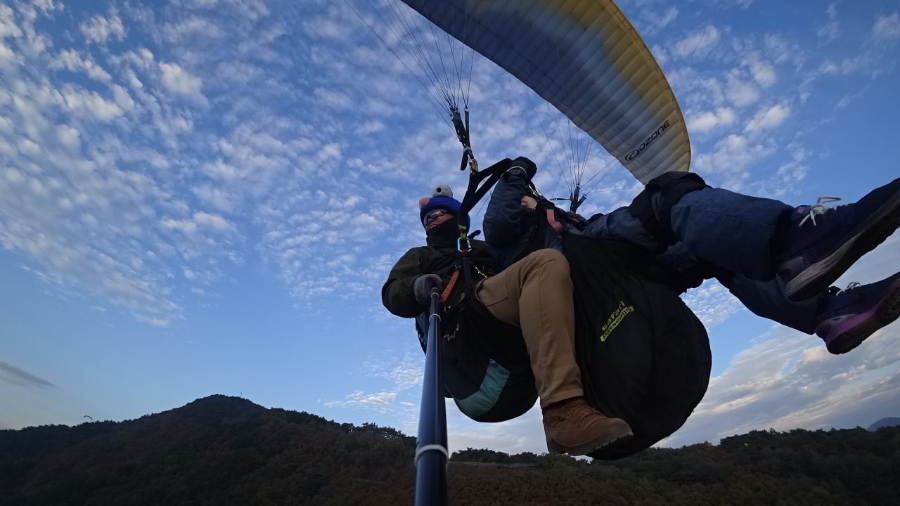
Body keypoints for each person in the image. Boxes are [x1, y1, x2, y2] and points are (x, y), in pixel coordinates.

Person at [484, 157, 900, 354]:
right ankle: (795, 241)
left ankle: (826, 312)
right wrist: (517, 171)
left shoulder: (556, 223)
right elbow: (499, 215)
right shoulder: (508, 240)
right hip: (592, 267)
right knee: (667, 194)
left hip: (622, 279)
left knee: (713, 250)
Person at [381, 185, 632, 456]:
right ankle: (563, 410)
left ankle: (615, 387)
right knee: (544, 264)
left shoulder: (484, 248)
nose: (431, 219)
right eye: (427, 217)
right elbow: (392, 293)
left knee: (561, 273)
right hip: (467, 335)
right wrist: (417, 287)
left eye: (439, 212)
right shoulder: (420, 256)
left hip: (514, 366)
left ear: (457, 216)